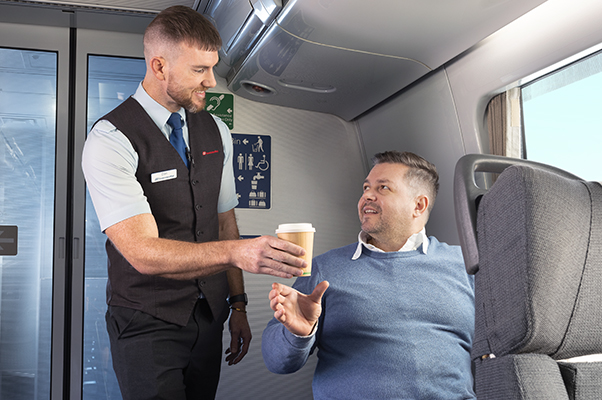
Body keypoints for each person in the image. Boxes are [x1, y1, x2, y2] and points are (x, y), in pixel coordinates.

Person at [81, 6, 307, 400]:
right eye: (199, 69)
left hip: (209, 317)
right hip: (146, 321)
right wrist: (239, 254)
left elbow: (224, 224)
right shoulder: (111, 139)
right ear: (159, 65)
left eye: (212, 67)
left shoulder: (215, 129)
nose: (212, 81)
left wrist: (237, 305)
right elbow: (143, 253)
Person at [262, 151, 476, 399]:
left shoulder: (465, 264)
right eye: (366, 188)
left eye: (383, 188)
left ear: (419, 205)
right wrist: (298, 333)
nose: (367, 196)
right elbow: (276, 362)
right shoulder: (324, 270)